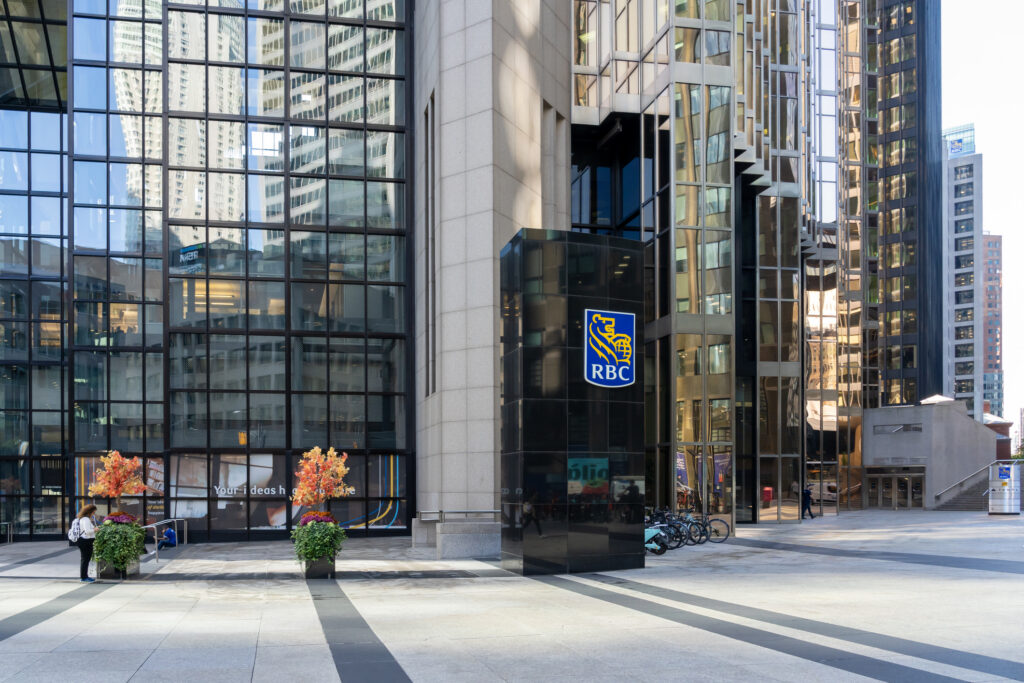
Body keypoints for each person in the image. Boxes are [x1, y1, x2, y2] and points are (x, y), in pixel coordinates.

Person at [76, 504, 98, 582]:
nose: (94, 514)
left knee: (85, 559)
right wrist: (95, 529)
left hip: (85, 541)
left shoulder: (84, 519)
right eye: (93, 512)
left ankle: (84, 576)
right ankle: (84, 577)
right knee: (85, 559)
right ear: (90, 512)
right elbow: (87, 531)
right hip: (85, 541)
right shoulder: (85, 519)